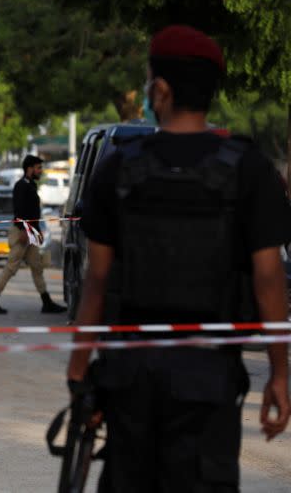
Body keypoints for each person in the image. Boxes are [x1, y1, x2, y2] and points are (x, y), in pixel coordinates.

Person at [66, 25, 291, 491]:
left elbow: (98, 280)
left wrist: (79, 369)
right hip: (210, 375)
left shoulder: (118, 168)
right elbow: (270, 282)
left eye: (149, 80)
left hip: (130, 374)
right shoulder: (250, 169)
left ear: (161, 89)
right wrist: (279, 372)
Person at [0, 155, 66, 314]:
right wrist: (24, 230)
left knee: (37, 267)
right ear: (29, 168)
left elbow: (33, 212)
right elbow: (20, 210)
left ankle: (46, 302)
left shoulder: (31, 185)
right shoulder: (21, 185)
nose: (40, 171)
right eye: (38, 168)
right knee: (11, 267)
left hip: (31, 232)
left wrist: (37, 231)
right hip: (23, 233)